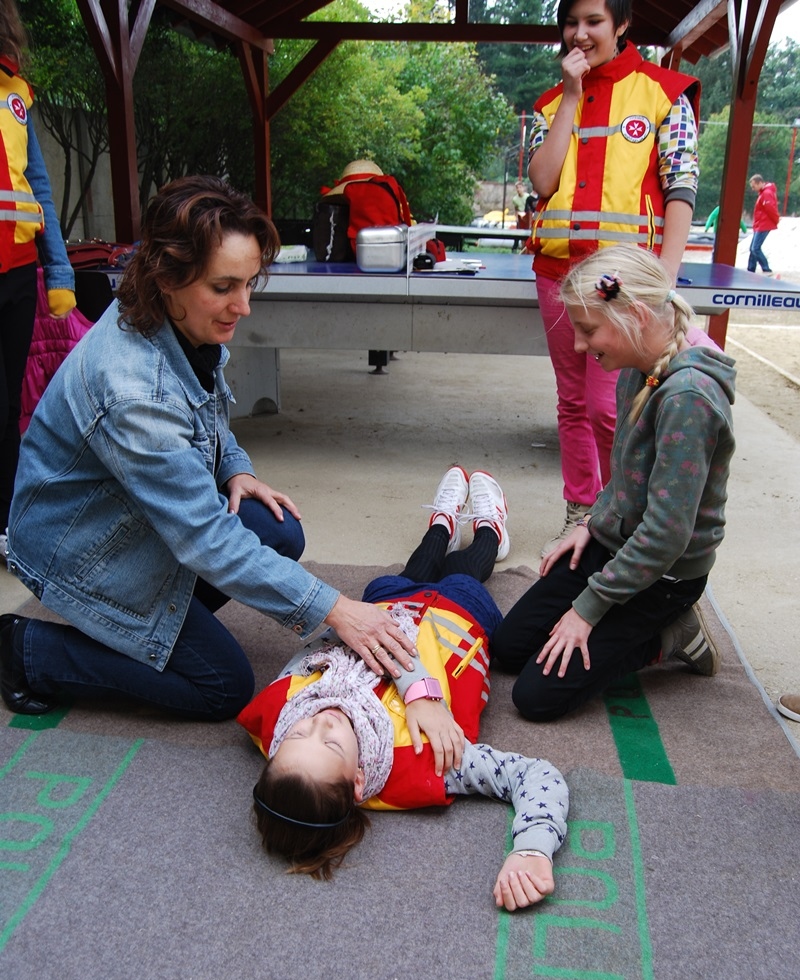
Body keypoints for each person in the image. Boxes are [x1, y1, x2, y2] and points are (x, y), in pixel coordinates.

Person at [0, 175, 416, 721]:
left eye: (248, 284)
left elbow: (207, 415)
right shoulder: (134, 391)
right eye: (223, 287)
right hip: (77, 550)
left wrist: (234, 468)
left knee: (278, 531)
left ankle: (152, 623)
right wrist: (336, 609)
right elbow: (202, 537)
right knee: (222, 685)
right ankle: (26, 649)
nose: (242, 306)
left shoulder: (177, 321)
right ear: (166, 277)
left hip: (123, 516)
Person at [238, 467, 568, 910]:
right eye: (331, 744)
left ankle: (442, 524)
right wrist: (532, 849)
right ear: (358, 782)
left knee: (414, 567)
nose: (321, 722)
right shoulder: (428, 762)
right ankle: (490, 530)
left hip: (381, 604)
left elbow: (319, 644)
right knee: (464, 573)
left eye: (297, 735)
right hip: (458, 613)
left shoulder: (280, 714)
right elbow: (535, 774)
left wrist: (408, 681)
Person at [492, 245, 735, 722]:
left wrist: (588, 609)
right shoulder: (637, 369)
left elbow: (666, 536)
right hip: (617, 542)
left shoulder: (688, 399)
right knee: (507, 647)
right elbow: (626, 473)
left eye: (588, 330)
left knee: (535, 698)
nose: (580, 346)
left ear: (636, 316)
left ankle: (671, 634)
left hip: (664, 574)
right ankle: (622, 617)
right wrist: (592, 523)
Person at [527, 0, 700, 557]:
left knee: (614, 404)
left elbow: (681, 187)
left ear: (622, 24)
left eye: (594, 22)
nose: (579, 34)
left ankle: (623, 514)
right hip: (557, 273)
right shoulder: (551, 102)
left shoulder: (664, 94)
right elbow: (543, 181)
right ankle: (580, 511)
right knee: (573, 402)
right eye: (571, 23)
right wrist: (571, 96)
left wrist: (664, 277)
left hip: (619, 282)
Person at [1, 0, 76, 559]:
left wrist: (59, 272)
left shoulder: (15, 91)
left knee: (10, 410)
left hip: (17, 273)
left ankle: (8, 524)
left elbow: (39, 189)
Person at [747, 174, 779, 275]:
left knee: (755, 248)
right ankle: (751, 269)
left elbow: (771, 209)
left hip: (763, 224)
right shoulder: (764, 193)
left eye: (754, 186)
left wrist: (776, 220)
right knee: (752, 248)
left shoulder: (766, 193)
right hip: (760, 223)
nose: (753, 189)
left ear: (760, 183)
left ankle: (766, 269)